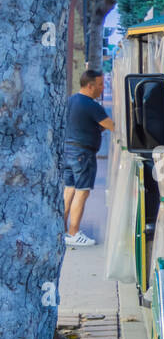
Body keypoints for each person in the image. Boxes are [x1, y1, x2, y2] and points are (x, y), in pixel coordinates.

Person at [63, 69, 114, 248]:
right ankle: (74, 232)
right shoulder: (91, 105)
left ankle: (61, 231)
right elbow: (112, 125)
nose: (102, 88)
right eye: (100, 85)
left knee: (69, 190)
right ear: (90, 85)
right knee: (82, 192)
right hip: (83, 154)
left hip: (68, 152)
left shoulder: (71, 101)